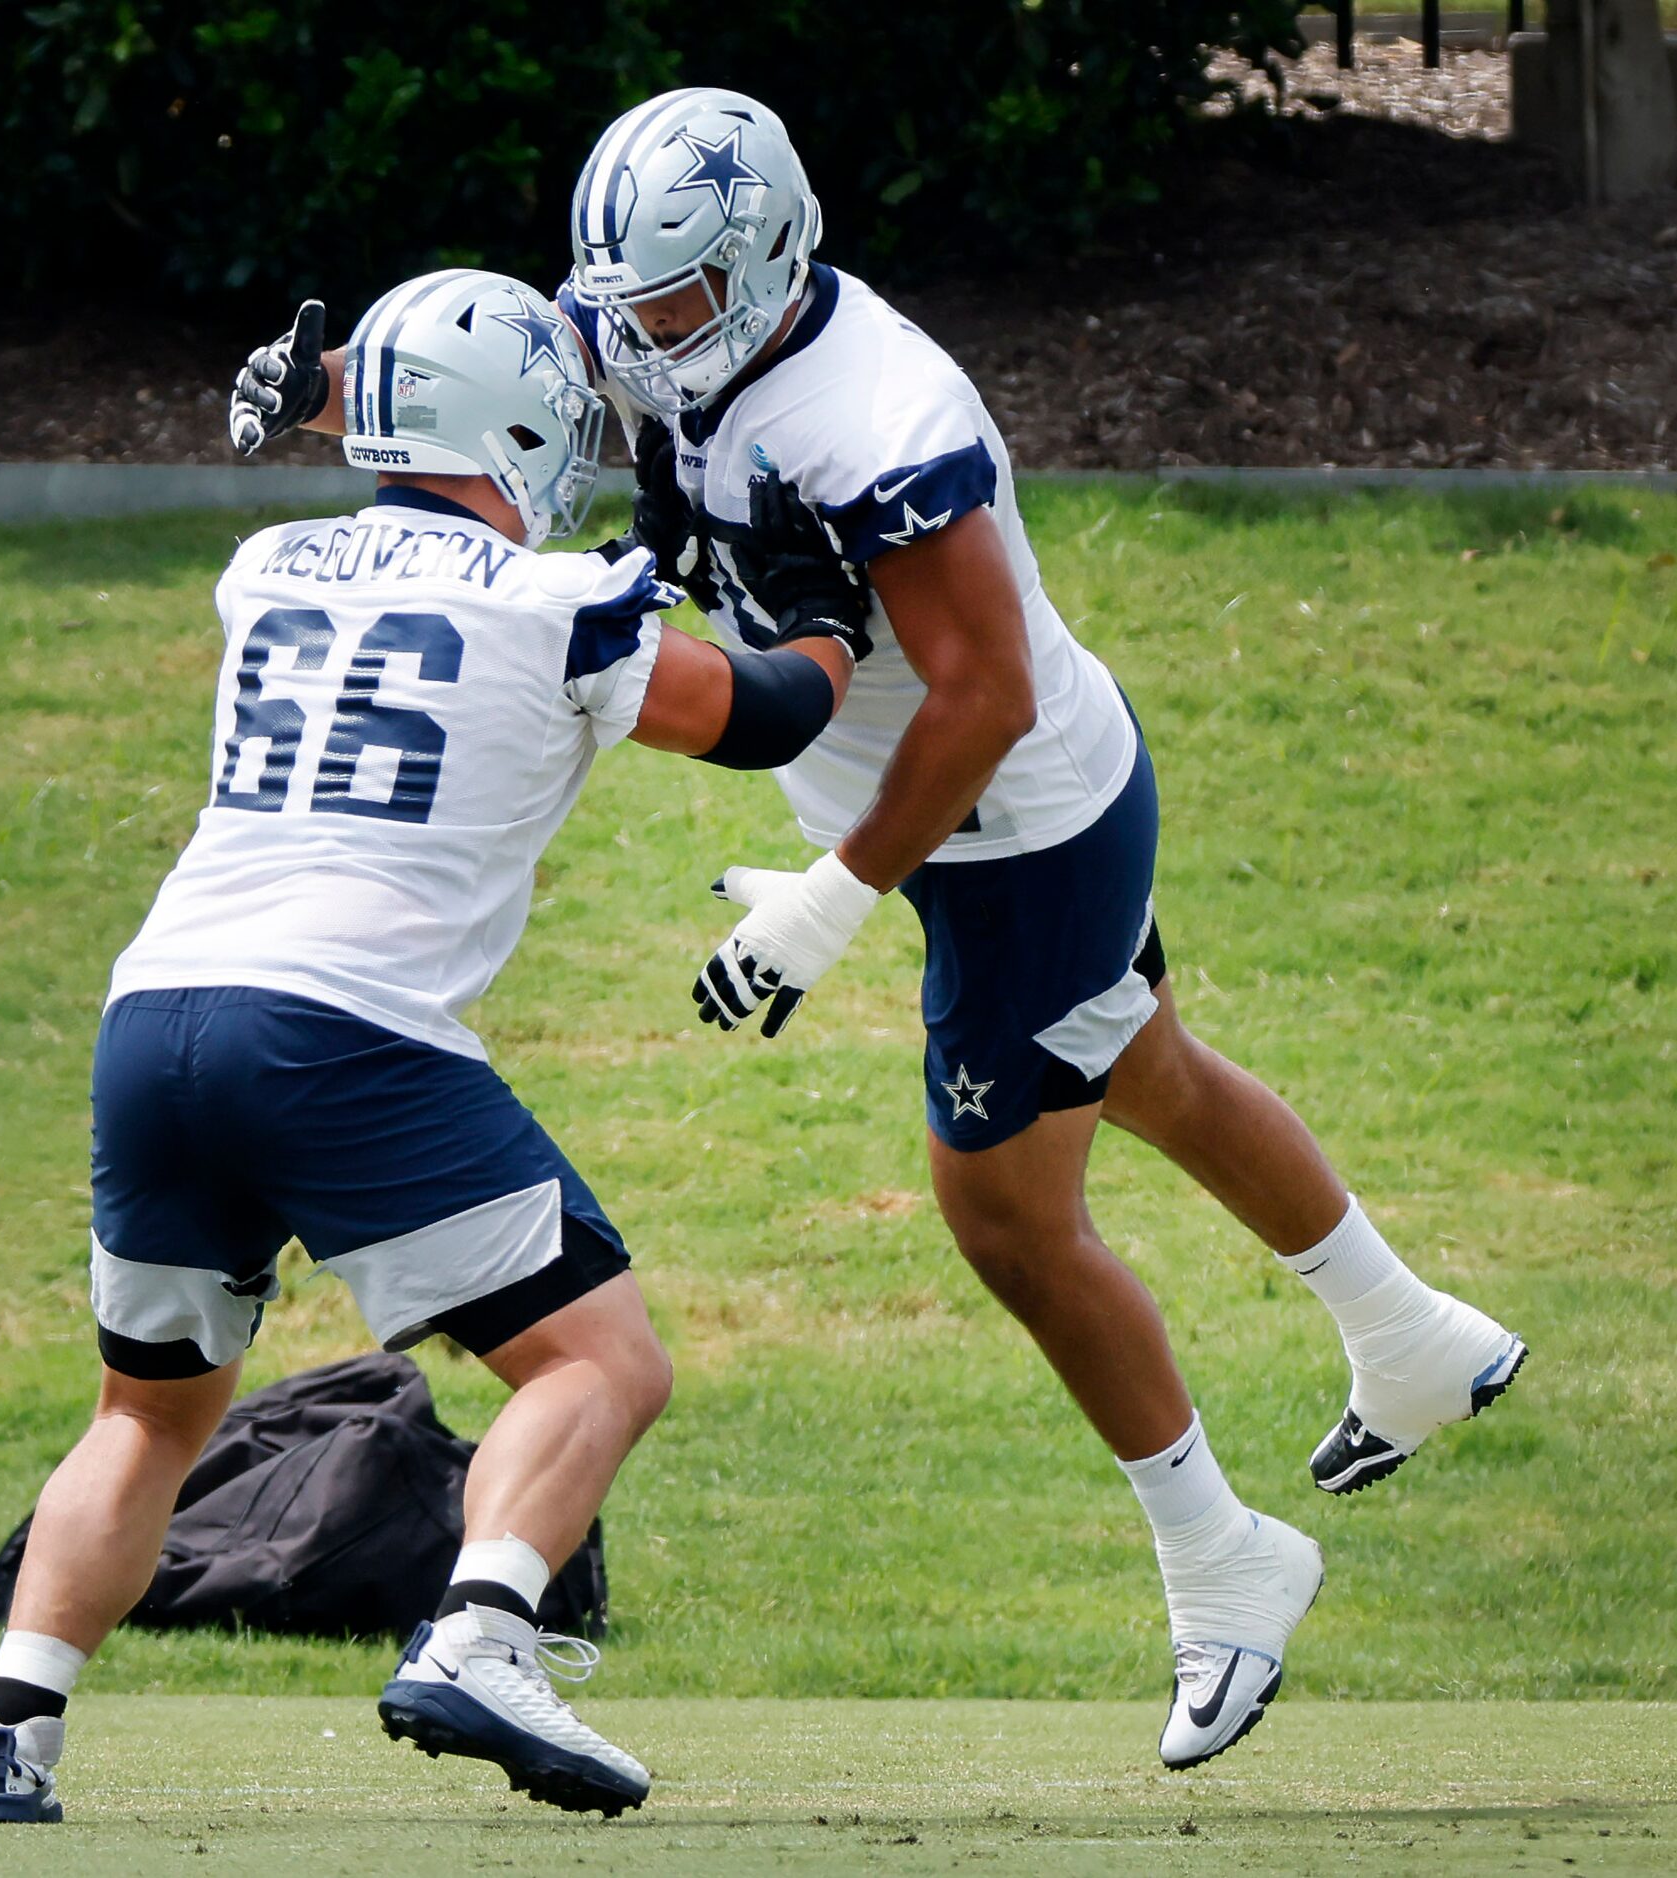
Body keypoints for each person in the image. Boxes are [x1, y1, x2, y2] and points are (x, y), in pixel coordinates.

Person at [226, 88, 1526, 1772]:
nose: (630, 343)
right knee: (1144, 1067)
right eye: (615, 303)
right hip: (971, 822)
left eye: (669, 309)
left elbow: (974, 690)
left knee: (1003, 1221)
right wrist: (342, 392)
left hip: (1011, 830)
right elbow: (533, 367)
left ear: (764, 265)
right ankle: (1410, 1333)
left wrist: (836, 901)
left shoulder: (875, 411)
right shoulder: (666, 310)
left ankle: (1227, 1562)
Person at [0, 266, 875, 1825]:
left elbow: (415, 507)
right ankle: (480, 1633)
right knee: (597, 1358)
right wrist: (832, 618)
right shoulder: (560, 603)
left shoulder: (265, 562)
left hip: (156, 1014)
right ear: (511, 421)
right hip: (338, 1029)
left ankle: (7, 1731)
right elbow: (765, 713)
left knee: (146, 1416)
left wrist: (330, 393)